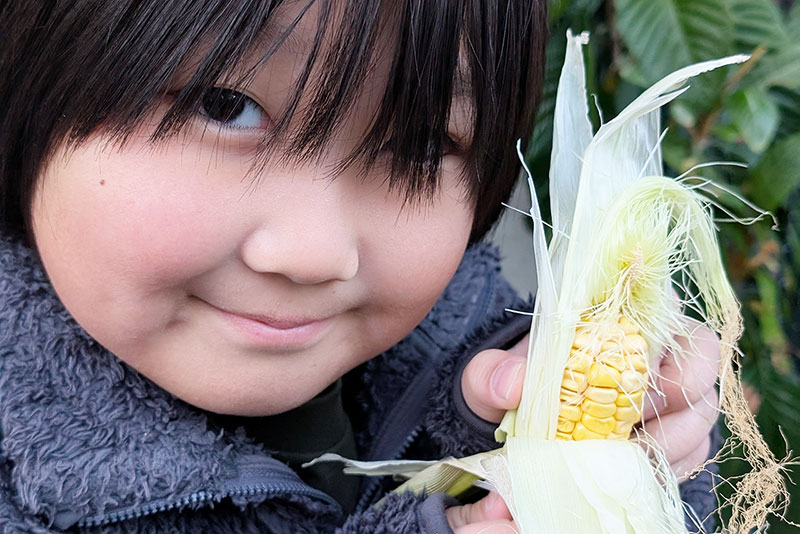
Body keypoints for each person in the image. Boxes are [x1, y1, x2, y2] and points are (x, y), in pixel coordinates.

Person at [0, 1, 720, 532]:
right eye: (224, 107)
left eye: (415, 145)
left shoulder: (475, 340)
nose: (315, 255)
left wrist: (630, 468)